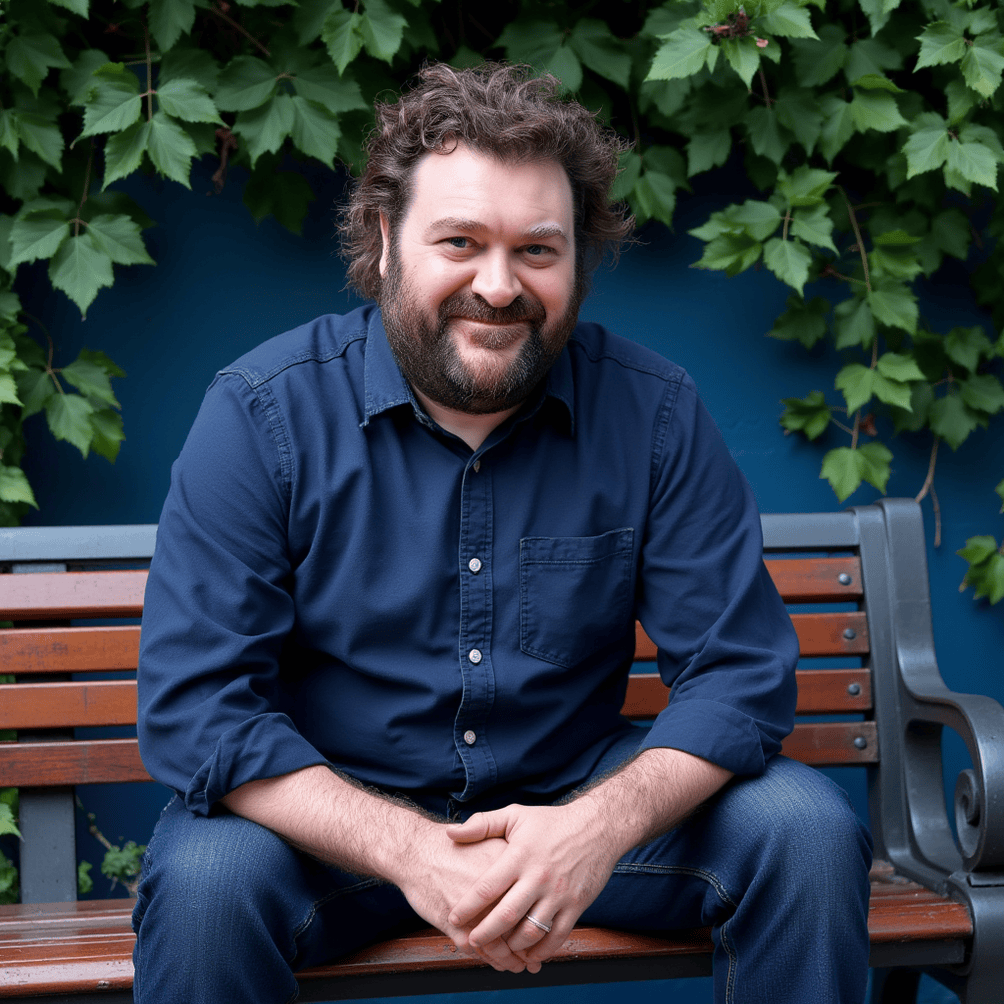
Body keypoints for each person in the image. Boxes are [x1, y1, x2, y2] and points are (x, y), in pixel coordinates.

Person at [134, 62, 872, 1004]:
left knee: (804, 831)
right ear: (385, 243)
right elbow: (202, 709)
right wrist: (409, 849)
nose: (499, 284)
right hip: (332, 831)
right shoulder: (260, 413)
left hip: (577, 805)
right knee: (205, 881)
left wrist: (594, 830)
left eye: (537, 250)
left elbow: (739, 676)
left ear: (578, 261)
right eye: (460, 241)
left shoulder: (653, 414)